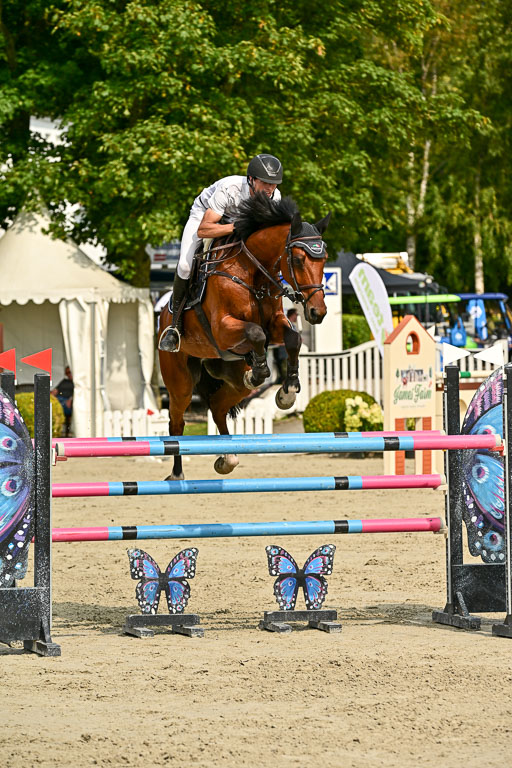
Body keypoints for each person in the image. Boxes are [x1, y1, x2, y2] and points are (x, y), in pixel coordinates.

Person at [158, 154, 283, 353]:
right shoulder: (230, 188)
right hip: (205, 218)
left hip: (240, 226)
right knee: (184, 265)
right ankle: (175, 326)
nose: (270, 189)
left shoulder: (275, 198)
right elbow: (205, 230)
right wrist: (238, 227)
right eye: (265, 182)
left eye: (274, 184)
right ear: (251, 179)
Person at [51, 366, 74, 437]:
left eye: (70, 372)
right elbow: (56, 390)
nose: (69, 374)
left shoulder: (78, 382)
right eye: (67, 373)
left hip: (67, 401)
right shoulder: (64, 381)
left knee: (57, 409)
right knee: (50, 406)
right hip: (58, 399)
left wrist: (71, 399)